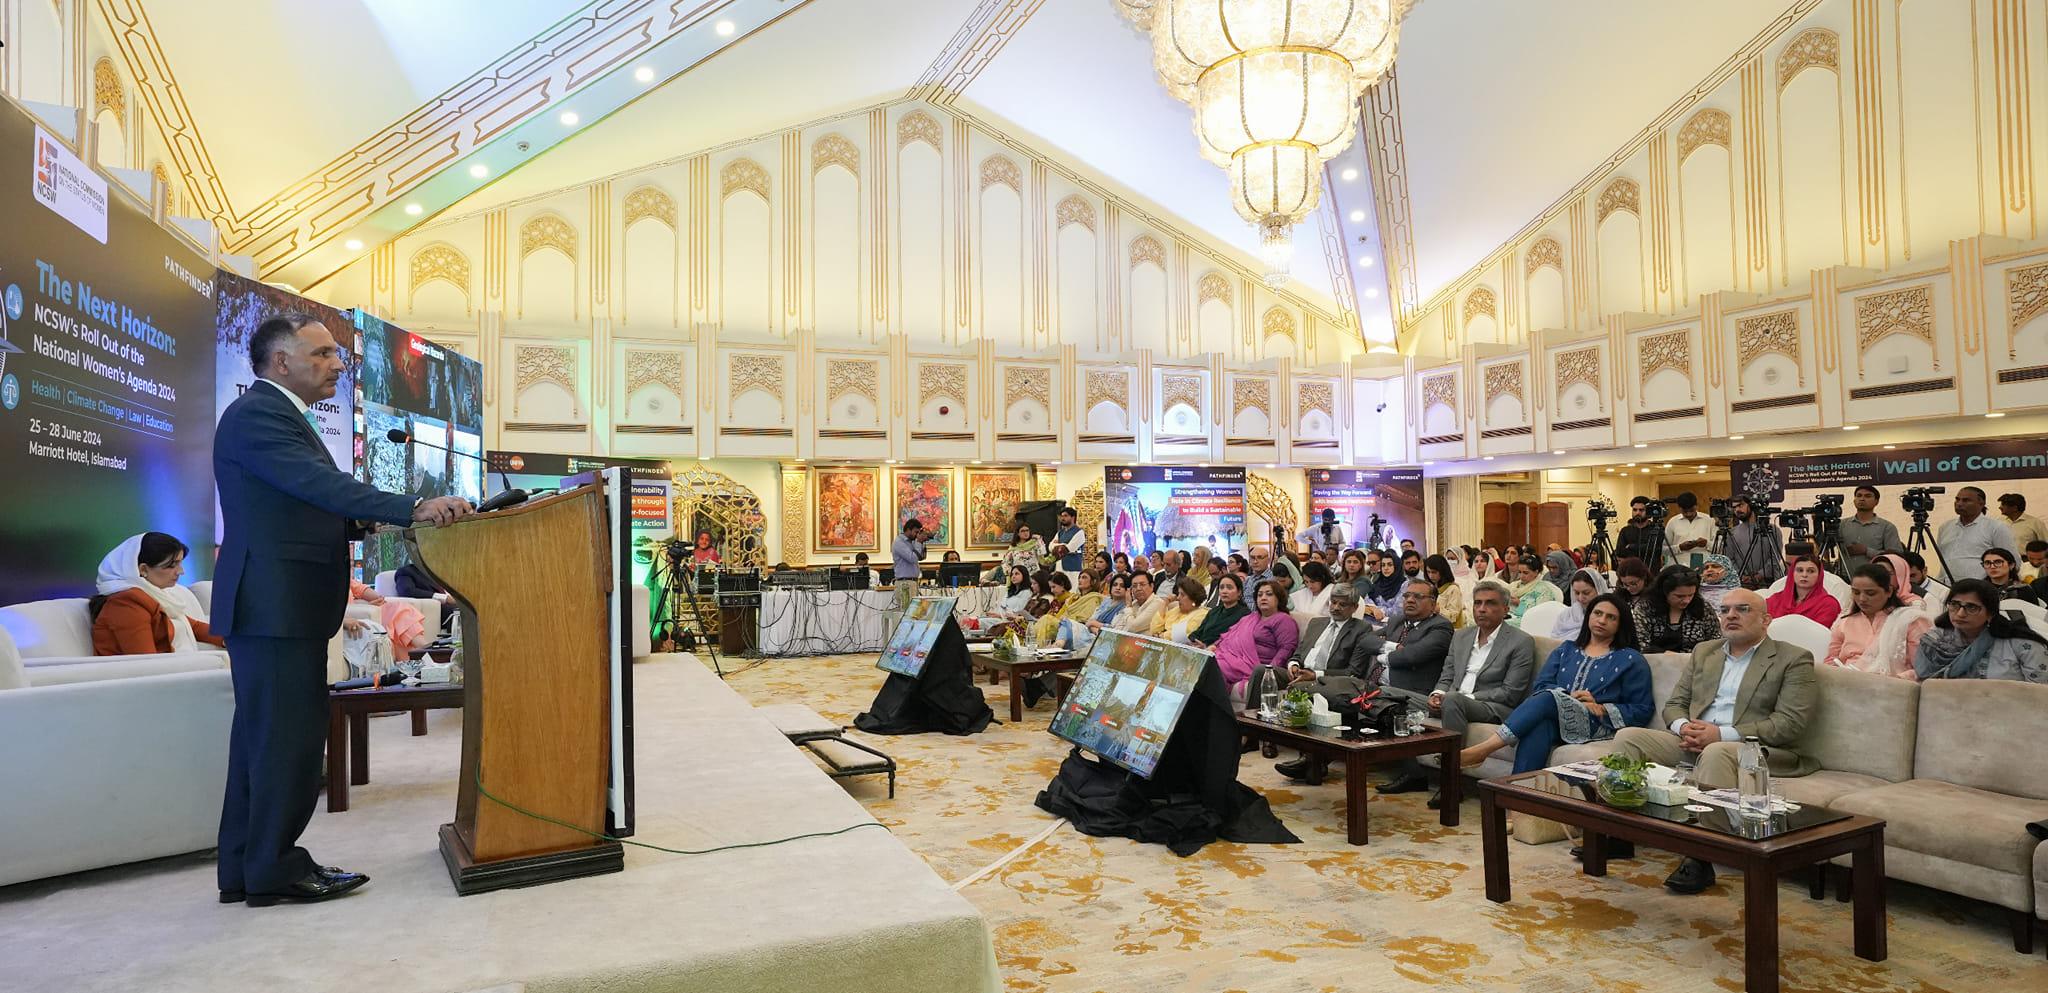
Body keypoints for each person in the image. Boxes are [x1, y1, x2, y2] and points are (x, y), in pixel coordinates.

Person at [213, 313, 473, 907]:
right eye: (325, 353)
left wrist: (364, 518)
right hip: (275, 607)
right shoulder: (260, 414)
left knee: (263, 744)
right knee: (288, 745)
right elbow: (317, 487)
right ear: (283, 361)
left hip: (276, 607)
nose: (338, 363)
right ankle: (275, 869)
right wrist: (416, 505)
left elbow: (300, 504)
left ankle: (246, 869)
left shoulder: (274, 415)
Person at [1610, 587, 1819, 894]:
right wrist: (1684, 727)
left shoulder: (1793, 658)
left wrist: (1720, 734)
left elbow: (1790, 723)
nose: (1731, 615)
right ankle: (1618, 833)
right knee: (1629, 737)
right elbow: (1674, 704)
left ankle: (1701, 856)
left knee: (1717, 752)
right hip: (1693, 741)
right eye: (1725, 610)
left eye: (1742, 609)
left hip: (1754, 749)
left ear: (1766, 620)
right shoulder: (1704, 651)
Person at [1457, 593, 1653, 776]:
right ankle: (1517, 803)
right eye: (1598, 613)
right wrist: (1567, 697)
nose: (1602, 620)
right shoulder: (1566, 649)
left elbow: (1642, 709)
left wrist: (1601, 708)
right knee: (1538, 726)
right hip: (1556, 719)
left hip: (1595, 724)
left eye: (1611, 617)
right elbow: (1541, 685)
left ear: (1621, 624)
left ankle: (1485, 749)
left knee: (1550, 697)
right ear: (1588, 616)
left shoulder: (1630, 659)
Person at [1381, 580, 1538, 805]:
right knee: (1387, 694)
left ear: (1505, 609)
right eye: (1477, 603)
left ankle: (1451, 785)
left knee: (1454, 700)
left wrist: (1458, 698)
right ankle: (1413, 773)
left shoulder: (1520, 641)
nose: (1482, 609)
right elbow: (1447, 675)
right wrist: (1437, 693)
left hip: (1490, 706)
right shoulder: (1462, 636)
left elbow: (1510, 692)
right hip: (1452, 699)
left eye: (1490, 603)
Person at [91, 532, 225, 656]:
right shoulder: (126, 605)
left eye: (180, 563)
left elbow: (193, 627)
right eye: (172, 565)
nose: (181, 572)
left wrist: (234, 640)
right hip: (152, 679)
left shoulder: (155, 595)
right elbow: (147, 662)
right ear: (143, 569)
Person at [1914, 578, 2048, 682]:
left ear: (1990, 613)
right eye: (1954, 605)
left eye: (1971, 607)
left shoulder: (2022, 644)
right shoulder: (1935, 639)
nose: (1960, 613)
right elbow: (1923, 684)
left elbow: (2040, 695)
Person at [1365, 578, 1455, 697]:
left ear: (1433, 604)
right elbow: (1366, 640)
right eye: (1407, 596)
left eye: (1418, 596)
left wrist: (1381, 657)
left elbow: (1412, 656)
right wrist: (1393, 646)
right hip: (1374, 684)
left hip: (1407, 693)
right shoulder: (1398, 621)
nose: (1410, 600)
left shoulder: (1441, 627)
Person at [1209, 581, 1298, 699]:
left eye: (1269, 594)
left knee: (1213, 667)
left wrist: (1268, 673)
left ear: (1279, 598)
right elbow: (1229, 636)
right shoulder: (1249, 618)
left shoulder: (1284, 620)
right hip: (1232, 658)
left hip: (1253, 666)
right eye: (1260, 595)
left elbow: (1286, 649)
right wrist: (1214, 647)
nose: (1263, 598)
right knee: (1205, 661)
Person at [1825, 564, 1910, 672]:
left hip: (1891, 684)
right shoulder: (1843, 622)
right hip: (1847, 681)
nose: (1862, 599)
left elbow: (1919, 669)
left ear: (1889, 591)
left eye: (1870, 593)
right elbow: (1831, 660)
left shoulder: (1906, 621)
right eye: (1856, 592)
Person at [1936, 486, 2015, 582]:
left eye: (1966, 500)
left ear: (1981, 503)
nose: (1959, 504)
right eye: (1957, 499)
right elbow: (1944, 558)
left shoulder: (1996, 527)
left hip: (1981, 588)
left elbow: (2012, 561)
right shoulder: (1945, 527)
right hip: (1948, 588)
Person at [1632, 565, 1717, 654]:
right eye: (1680, 596)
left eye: (1691, 595)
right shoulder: (1646, 608)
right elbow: (1639, 643)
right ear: (1664, 591)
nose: (1686, 601)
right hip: (1655, 663)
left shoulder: (1703, 607)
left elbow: (1716, 640)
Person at [347, 579, 429, 652]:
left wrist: (377, 599)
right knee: (396, 614)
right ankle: (427, 651)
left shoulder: (345, 578)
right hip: (351, 619)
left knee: (398, 609)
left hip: (366, 614)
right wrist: (365, 607)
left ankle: (424, 651)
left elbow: (363, 590)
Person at [1840, 485, 1903, 575]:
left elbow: (1896, 557)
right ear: (1854, 500)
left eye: (1868, 496)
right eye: (1859, 495)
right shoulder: (1841, 524)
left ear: (1876, 502)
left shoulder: (1887, 527)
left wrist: (1867, 551)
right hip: (1844, 577)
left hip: (1875, 579)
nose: (1862, 499)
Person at [1723, 496, 1783, 588]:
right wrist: (1741, 576)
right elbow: (1729, 559)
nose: (1737, 510)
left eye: (1740, 505)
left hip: (1769, 583)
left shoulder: (1773, 530)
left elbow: (1775, 557)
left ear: (1751, 505)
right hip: (1742, 584)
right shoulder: (1731, 533)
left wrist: (1760, 575)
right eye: (1734, 507)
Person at [1766, 555, 1841, 625]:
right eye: (1800, 570)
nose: (1804, 575)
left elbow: (1820, 633)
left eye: (1811, 571)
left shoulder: (1828, 604)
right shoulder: (1775, 600)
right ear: (1792, 573)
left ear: (1819, 576)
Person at [1032, 570, 1102, 645]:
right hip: (1063, 624)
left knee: (1046, 619)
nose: (1080, 580)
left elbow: (1084, 618)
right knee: (1040, 621)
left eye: (1084, 577)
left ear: (1093, 581)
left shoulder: (1093, 598)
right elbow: (1060, 615)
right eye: (1080, 577)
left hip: (1076, 628)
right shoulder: (1073, 597)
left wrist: (1066, 620)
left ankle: (1040, 648)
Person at [1188, 574, 1251, 649]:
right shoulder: (1214, 611)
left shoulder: (1245, 615)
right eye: (1221, 588)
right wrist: (1192, 640)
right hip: (1200, 651)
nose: (1224, 591)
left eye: (1229, 588)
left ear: (1239, 592)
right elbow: (1198, 632)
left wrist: (1206, 647)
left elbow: (1235, 642)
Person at [1549, 568, 1610, 641]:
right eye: (1577, 593)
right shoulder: (1567, 614)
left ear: (1598, 589)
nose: (1580, 598)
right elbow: (1554, 640)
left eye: (1586, 593)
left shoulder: (1609, 615)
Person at [1504, 555, 1560, 627]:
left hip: (1526, 622)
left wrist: (1519, 604)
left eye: (1525, 573)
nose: (1521, 576)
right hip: (1507, 617)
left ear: (1536, 572)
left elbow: (1540, 614)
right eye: (1519, 572)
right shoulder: (1514, 586)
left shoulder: (1543, 590)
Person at [1663, 493, 1715, 568]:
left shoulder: (1709, 520)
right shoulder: (1672, 522)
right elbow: (1663, 550)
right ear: (1679, 508)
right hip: (1678, 568)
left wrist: (1706, 543)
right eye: (1685, 511)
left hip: (1704, 567)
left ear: (1696, 505)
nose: (1688, 514)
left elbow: (1719, 547)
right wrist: (1680, 547)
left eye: (1691, 510)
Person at [889, 518, 927, 616]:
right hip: (904, 583)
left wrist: (922, 542)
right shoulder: (898, 542)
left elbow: (921, 557)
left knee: (914, 615)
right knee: (907, 615)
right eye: (916, 532)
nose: (917, 535)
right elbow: (912, 558)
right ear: (908, 530)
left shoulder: (912, 542)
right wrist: (918, 542)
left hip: (913, 582)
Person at [1154, 577, 1211, 644]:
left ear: (1193, 598)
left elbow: (1179, 636)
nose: (1178, 598)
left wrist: (1161, 635)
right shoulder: (1177, 609)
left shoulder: (1202, 614)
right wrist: (1164, 603)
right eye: (1178, 594)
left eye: (1182, 595)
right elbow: (1154, 629)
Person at [1115, 570, 1165, 635]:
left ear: (1151, 586)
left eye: (1142, 584)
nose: (1138, 588)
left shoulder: (1158, 603)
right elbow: (1117, 624)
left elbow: (1132, 627)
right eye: (1134, 586)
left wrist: (1128, 606)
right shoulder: (1135, 603)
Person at [1424, 554, 1467, 629]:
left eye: (1434, 572)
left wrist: (1438, 609)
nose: (1430, 576)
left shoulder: (1453, 589)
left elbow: (1453, 616)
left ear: (1442, 571)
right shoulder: (1430, 587)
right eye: (1428, 572)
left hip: (1450, 629)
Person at [1049, 506, 1089, 572]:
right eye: (1062, 516)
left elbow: (1069, 548)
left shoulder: (1079, 532)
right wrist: (1064, 544)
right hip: (1059, 568)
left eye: (1065, 516)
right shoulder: (1060, 533)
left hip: (1073, 569)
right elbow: (1050, 547)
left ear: (1073, 517)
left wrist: (1058, 545)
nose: (1062, 518)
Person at [1615, 497, 1653, 563]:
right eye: (1635, 510)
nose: (1637, 513)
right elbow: (1619, 551)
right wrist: (1644, 547)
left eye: (1641, 510)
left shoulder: (1655, 530)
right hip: (1630, 570)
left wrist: (1631, 546)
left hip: (1651, 570)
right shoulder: (1625, 531)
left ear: (1648, 511)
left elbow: (1654, 549)